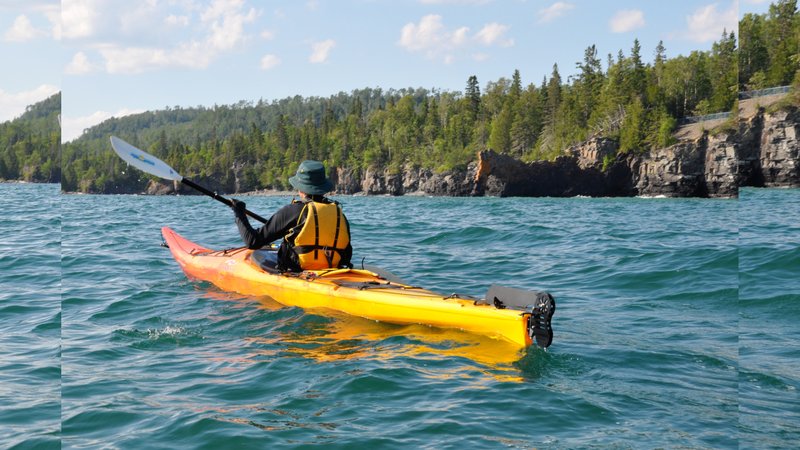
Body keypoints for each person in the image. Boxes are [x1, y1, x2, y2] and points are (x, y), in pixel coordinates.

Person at [230, 160, 352, 272]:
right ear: (323, 188)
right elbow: (347, 254)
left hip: (298, 271)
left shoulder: (293, 211)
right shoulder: (339, 215)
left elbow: (252, 241)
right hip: (332, 272)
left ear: (300, 189)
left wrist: (239, 213)